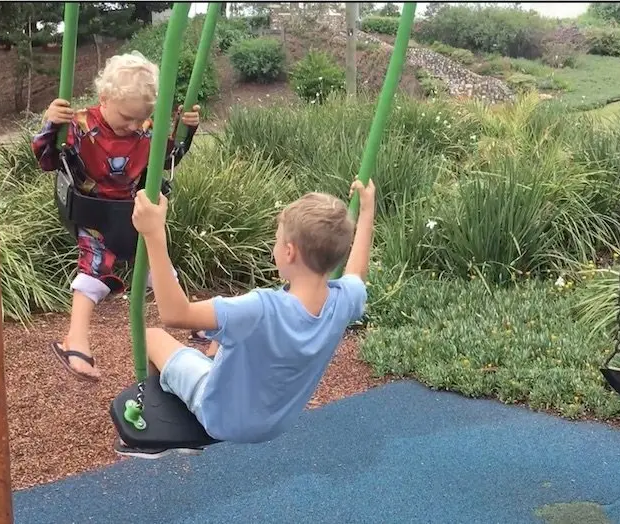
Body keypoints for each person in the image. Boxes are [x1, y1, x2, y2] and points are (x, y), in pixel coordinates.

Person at [114, 179, 376, 458]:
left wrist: (154, 235)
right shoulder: (344, 300)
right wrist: (367, 212)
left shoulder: (259, 309)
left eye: (276, 240)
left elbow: (175, 314)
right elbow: (356, 274)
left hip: (222, 418)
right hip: (275, 422)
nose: (274, 247)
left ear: (289, 252)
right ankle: (195, 380)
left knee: (153, 338)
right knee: (220, 343)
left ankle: (160, 434)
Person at [31, 51, 201, 381]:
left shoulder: (147, 130)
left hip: (132, 210)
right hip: (91, 210)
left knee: (158, 262)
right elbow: (47, 159)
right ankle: (75, 340)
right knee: (95, 263)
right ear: (104, 98)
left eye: (142, 119)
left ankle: (196, 324)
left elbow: (170, 158)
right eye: (128, 117)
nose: (134, 126)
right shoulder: (78, 126)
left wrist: (187, 130)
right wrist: (51, 123)